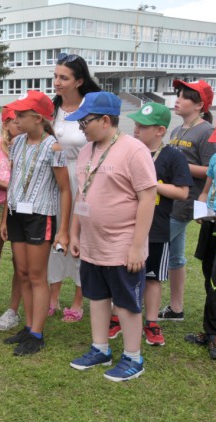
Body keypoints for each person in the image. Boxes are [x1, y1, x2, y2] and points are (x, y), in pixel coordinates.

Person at [67, 92, 157, 382]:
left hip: (122, 244)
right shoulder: (86, 151)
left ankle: (133, 357)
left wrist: (137, 246)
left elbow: (147, 198)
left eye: (85, 122)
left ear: (105, 120)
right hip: (92, 242)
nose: (81, 128)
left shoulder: (134, 150)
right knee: (96, 296)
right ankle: (100, 348)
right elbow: (81, 194)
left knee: (127, 301)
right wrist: (74, 232)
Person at [0, 91, 71, 356]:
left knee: (37, 276)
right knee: (22, 272)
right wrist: (5, 217)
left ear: (38, 118)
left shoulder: (54, 148)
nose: (15, 119)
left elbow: (65, 190)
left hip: (40, 216)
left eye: (21, 115)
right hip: (16, 214)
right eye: (14, 115)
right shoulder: (17, 143)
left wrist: (63, 230)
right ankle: (29, 327)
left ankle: (37, 334)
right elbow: (13, 182)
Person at [113, 103, 190, 346]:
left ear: (160, 130)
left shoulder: (173, 156)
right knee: (121, 274)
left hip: (156, 229)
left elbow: (182, 192)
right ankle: (116, 317)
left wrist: (151, 184)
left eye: (143, 126)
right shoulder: (127, 151)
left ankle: (152, 322)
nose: (136, 129)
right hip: (126, 226)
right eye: (136, 124)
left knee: (153, 277)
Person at [48, 53, 101, 322]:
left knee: (79, 236)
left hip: (82, 179)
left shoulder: (91, 109)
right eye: (55, 76)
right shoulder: (52, 108)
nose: (57, 82)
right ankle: (53, 296)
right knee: (54, 235)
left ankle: (79, 299)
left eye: (64, 78)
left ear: (79, 81)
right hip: (52, 179)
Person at [160, 80, 216, 322]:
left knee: (152, 246)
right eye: (178, 95)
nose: (178, 100)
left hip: (187, 202)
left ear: (199, 105)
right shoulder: (176, 130)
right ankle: (176, 309)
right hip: (171, 200)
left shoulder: (206, 131)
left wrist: (179, 165)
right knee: (175, 257)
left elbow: (214, 169)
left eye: (185, 97)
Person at [188, 109, 216, 359]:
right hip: (211, 223)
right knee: (209, 277)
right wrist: (201, 209)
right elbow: (206, 189)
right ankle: (211, 329)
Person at [0, 105, 22, 331]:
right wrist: (11, 186)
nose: (19, 124)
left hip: (20, 208)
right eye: (14, 120)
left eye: (21, 119)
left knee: (20, 264)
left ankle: (13, 311)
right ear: (6, 124)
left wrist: (14, 189)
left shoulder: (28, 145)